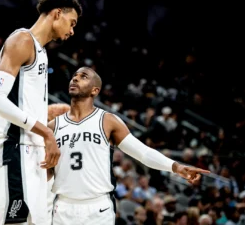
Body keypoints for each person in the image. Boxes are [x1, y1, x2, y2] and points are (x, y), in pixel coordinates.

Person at [47, 67, 210, 225]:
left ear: (95, 90)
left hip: (97, 207)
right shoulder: (52, 127)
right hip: (63, 206)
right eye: (74, 75)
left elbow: (142, 153)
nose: (75, 78)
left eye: (83, 76)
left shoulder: (107, 120)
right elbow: (45, 171)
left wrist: (175, 166)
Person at [0, 0, 82, 225]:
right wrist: (46, 132)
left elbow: (26, 107)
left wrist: (52, 126)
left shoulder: (42, 53)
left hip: (34, 150)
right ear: (57, 13)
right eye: (72, 23)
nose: (72, 30)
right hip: (15, 147)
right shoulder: (22, 40)